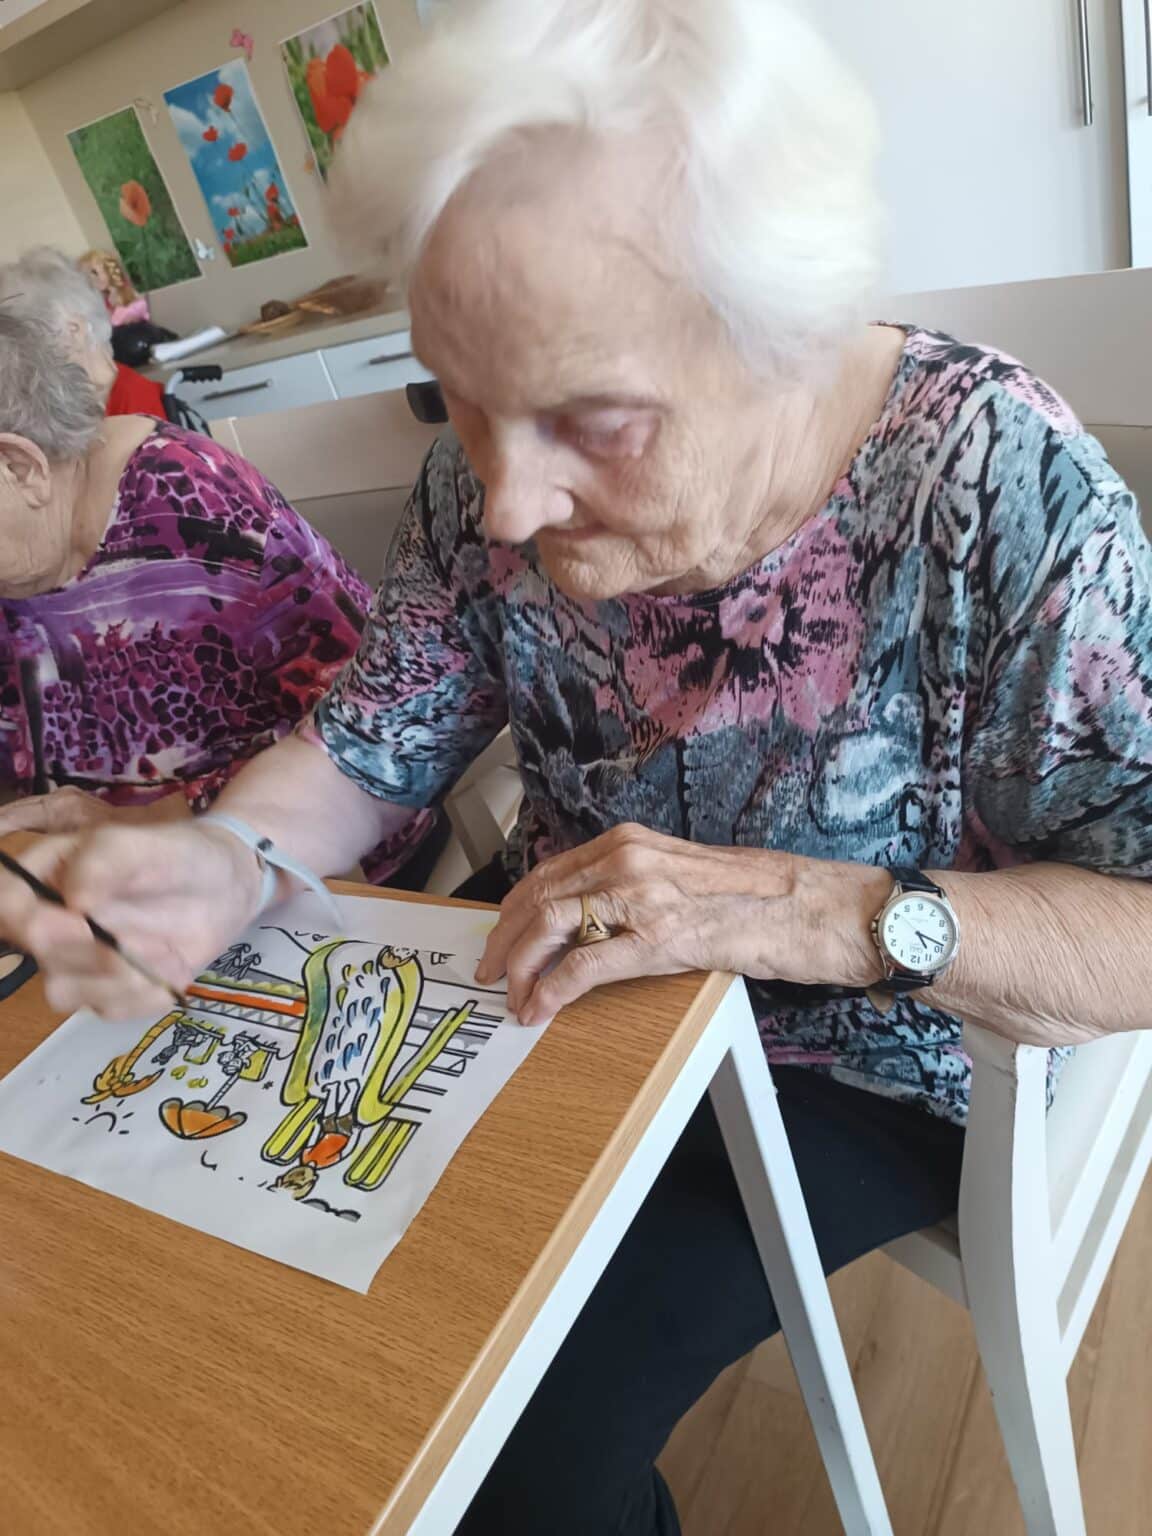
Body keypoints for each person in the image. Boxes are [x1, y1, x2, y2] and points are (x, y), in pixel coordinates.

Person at [4, 1, 1152, 1530]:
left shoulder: (996, 480)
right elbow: (368, 747)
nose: (500, 501)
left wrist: (815, 911)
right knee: (243, 1315)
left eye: (590, 421)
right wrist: (226, 854)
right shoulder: (479, 490)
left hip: (867, 1050)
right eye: (453, 401)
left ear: (785, 337)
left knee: (502, 1451)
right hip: (566, 969)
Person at [0, 303, 436, 881]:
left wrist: (144, 824)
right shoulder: (19, 561)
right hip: (85, 884)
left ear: (19, 467)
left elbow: (380, 727)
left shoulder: (187, 501)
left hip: (300, 868)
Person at [2, 246, 166, 419]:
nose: (15, 354)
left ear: (74, 330)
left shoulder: (133, 399)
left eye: (23, 337)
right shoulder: (50, 401)